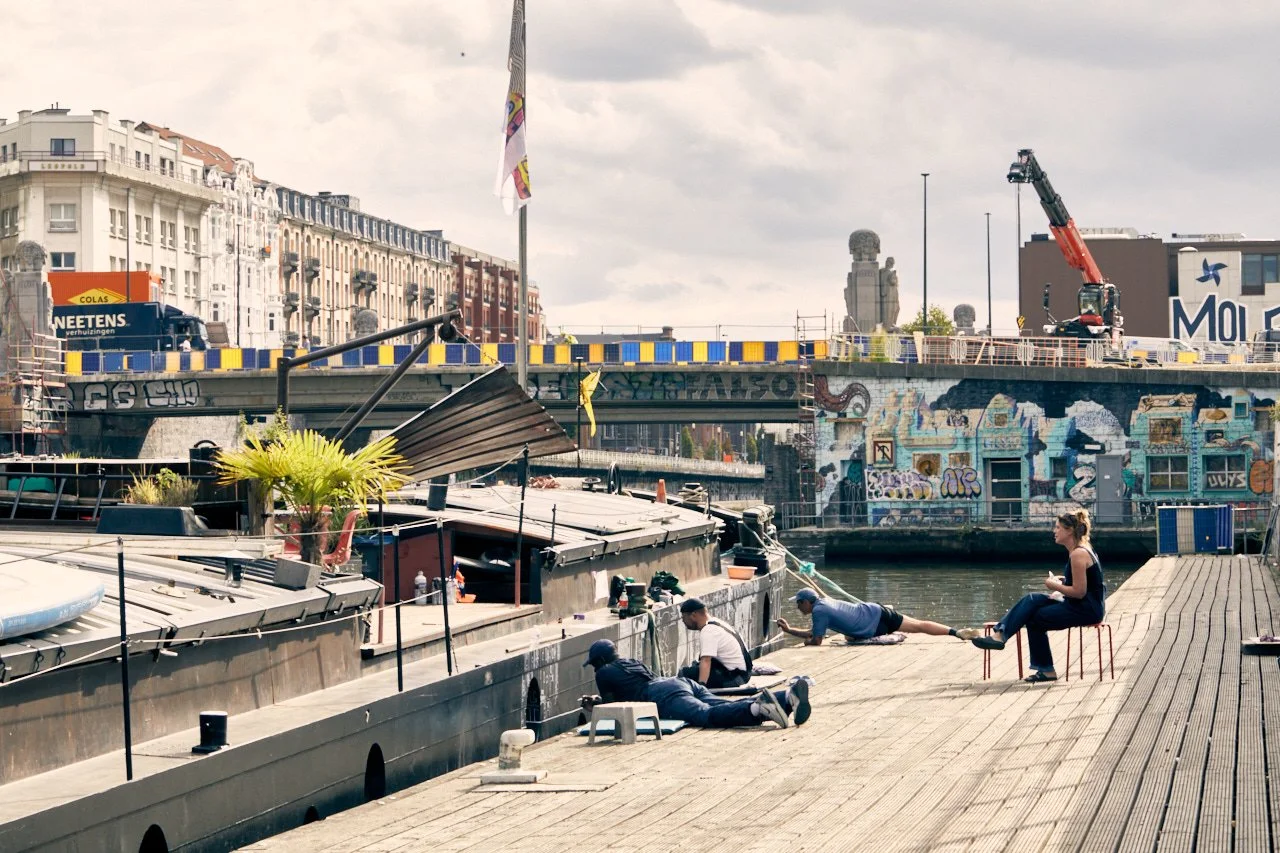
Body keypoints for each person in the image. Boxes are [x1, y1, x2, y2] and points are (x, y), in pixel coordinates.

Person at [970, 509, 1105, 683]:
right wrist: (1063, 581)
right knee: (1032, 599)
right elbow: (1085, 583)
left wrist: (1053, 585)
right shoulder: (1082, 550)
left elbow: (1079, 592)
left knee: (1035, 618)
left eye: (1058, 527)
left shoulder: (1078, 554)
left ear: (1069, 531)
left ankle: (1045, 669)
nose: (1054, 531)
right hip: (1081, 605)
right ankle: (1000, 636)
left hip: (1086, 609)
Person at [582, 639, 811, 729]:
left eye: (593, 664)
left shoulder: (603, 672)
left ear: (600, 660)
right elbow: (632, 688)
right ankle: (786, 697)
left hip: (663, 697)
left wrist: (594, 707)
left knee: (708, 716)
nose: (594, 668)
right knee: (721, 705)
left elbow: (613, 708)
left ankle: (758, 709)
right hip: (679, 683)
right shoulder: (631, 662)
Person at [777, 588, 977, 645]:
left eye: (799, 603)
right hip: (875, 610)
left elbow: (816, 640)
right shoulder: (824, 603)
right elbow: (813, 632)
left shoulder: (819, 611)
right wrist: (790, 630)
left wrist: (807, 642)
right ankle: (956, 632)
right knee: (919, 624)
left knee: (849, 636)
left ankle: (957, 633)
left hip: (873, 626)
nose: (798, 607)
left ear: (807, 602)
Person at [677, 598, 752, 688]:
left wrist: (701, 687)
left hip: (735, 678)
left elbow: (706, 661)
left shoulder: (708, 630)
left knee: (684, 674)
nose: (683, 621)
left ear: (693, 615)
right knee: (695, 666)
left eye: (684, 617)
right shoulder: (716, 623)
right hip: (743, 674)